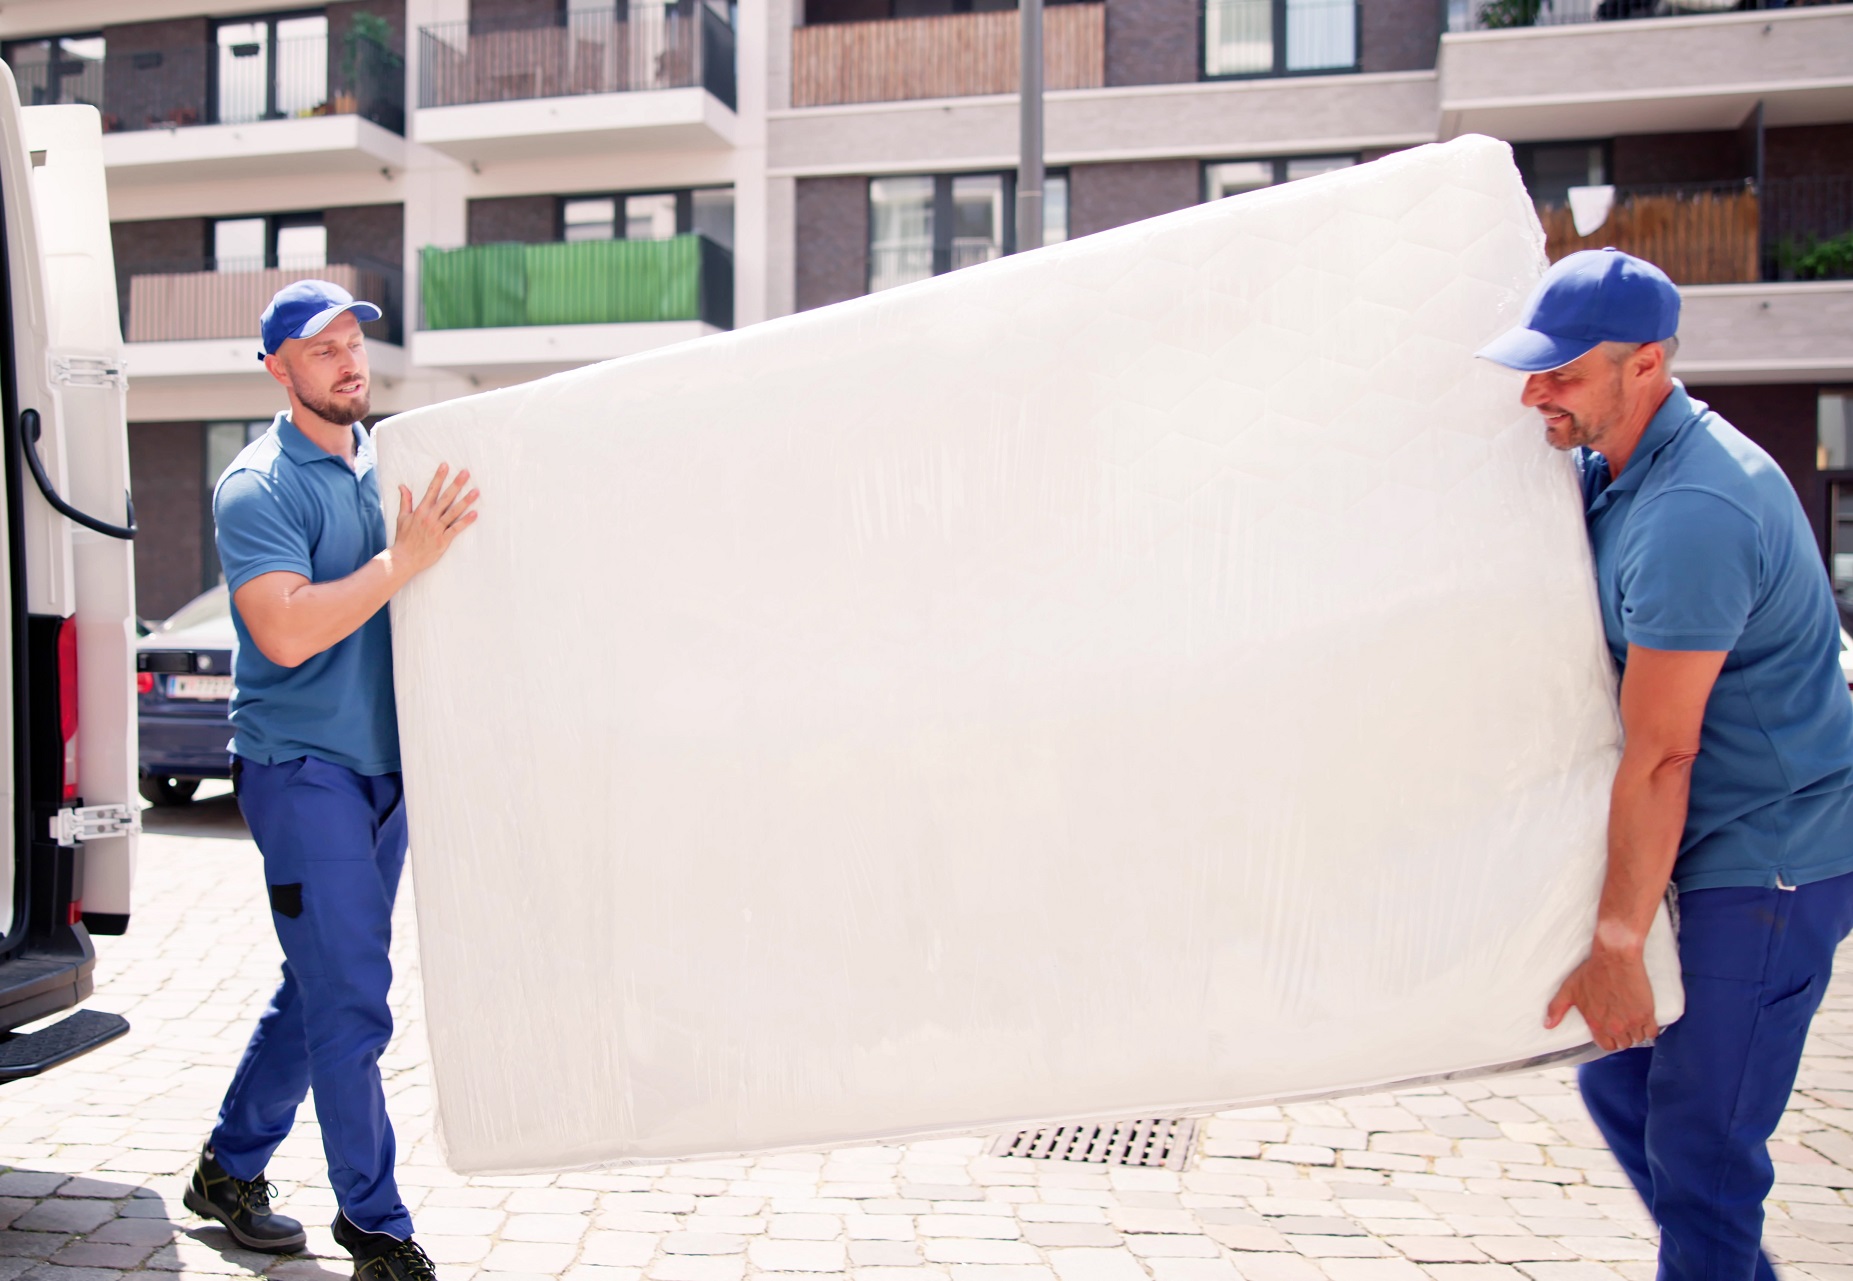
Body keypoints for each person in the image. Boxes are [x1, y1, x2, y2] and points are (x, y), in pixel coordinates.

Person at [1478, 248, 1853, 1280]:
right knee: (1620, 1081)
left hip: (1770, 860)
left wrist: (1615, 941)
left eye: (1561, 373)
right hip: (1711, 838)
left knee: (1701, 1146)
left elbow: (1661, 754)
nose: (1533, 393)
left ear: (1644, 364)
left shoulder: (1696, 513)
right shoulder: (1609, 470)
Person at [182, 280, 478, 1281]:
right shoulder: (257, 486)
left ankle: (228, 1169)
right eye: (323, 348)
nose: (349, 361)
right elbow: (285, 628)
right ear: (278, 367)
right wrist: (403, 559)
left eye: (354, 341)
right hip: (302, 769)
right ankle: (375, 1227)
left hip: (387, 771)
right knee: (352, 999)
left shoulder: (387, 464)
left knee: (320, 982)